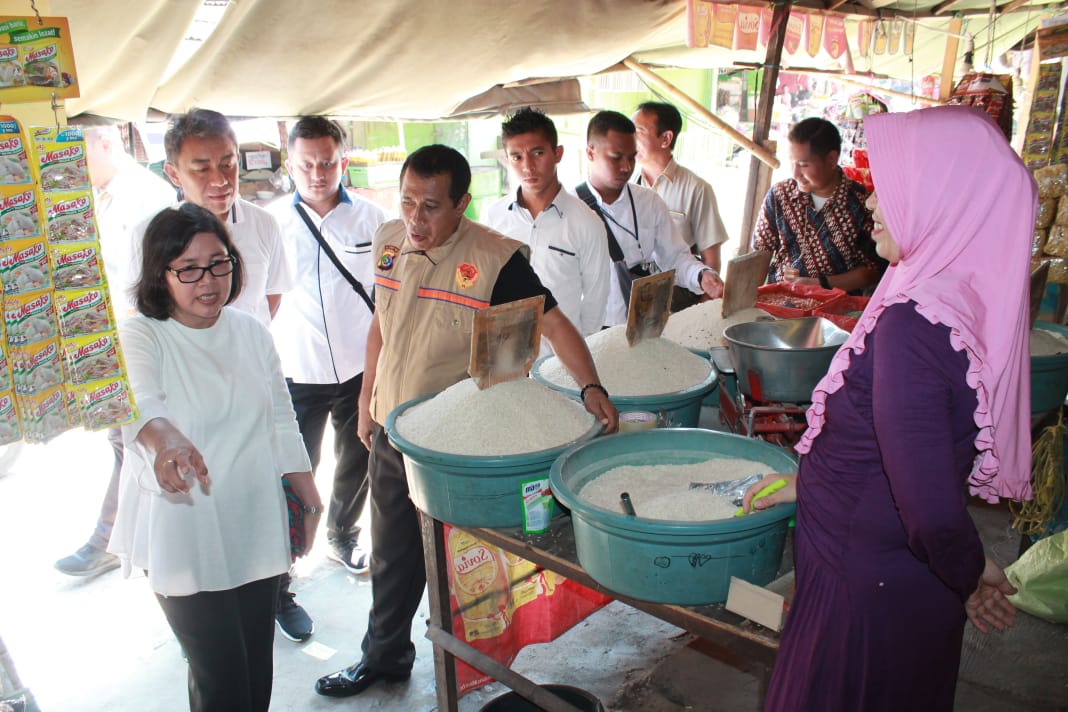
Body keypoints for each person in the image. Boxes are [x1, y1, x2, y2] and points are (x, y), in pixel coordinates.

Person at [741, 106, 1031, 711]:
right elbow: (903, 451)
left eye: (893, 185)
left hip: (864, 585)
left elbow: (927, 510)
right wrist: (810, 481)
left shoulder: (914, 324)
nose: (872, 200)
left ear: (944, 195)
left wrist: (973, 569)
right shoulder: (954, 297)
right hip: (891, 566)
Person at [314, 144, 618, 698]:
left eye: (431, 206)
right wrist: (366, 398)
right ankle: (384, 657)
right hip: (391, 428)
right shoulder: (387, 242)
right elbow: (382, 323)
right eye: (407, 202)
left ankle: (473, 668)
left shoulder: (497, 260)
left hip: (454, 446)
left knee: (461, 564)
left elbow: (555, 324)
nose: (415, 219)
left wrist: (590, 385)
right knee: (391, 554)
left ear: (462, 203)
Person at [109, 203, 321, 712]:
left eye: (219, 263)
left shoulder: (250, 331)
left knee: (255, 675)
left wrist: (310, 501)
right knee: (221, 681)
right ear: (161, 274)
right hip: (187, 530)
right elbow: (140, 404)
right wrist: (167, 443)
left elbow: (280, 421)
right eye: (188, 269)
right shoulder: (143, 335)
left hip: (255, 521)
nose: (208, 280)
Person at [268, 116, 388, 640]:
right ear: (289, 164)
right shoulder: (270, 224)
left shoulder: (374, 220)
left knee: (356, 456)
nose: (317, 173)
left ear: (344, 160)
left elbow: (388, 295)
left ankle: (342, 534)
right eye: (306, 163)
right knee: (295, 470)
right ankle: (278, 579)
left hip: (361, 366)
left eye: (327, 162)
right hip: (297, 370)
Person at [53, 119, 175, 578]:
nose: (70, 162)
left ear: (106, 142)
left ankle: (114, 541)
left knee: (135, 443)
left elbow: (148, 290)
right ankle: (121, 541)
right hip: (110, 346)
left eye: (77, 149)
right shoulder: (97, 197)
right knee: (124, 444)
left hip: (140, 345)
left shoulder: (149, 197)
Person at [576, 110, 722, 327]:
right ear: (590, 153)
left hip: (643, 326)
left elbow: (675, 258)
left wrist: (702, 276)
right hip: (589, 331)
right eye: (616, 158)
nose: (626, 167)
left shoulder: (649, 202)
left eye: (632, 157)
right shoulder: (568, 210)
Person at [484, 107, 610, 340]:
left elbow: (596, 302)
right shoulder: (494, 217)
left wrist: (577, 358)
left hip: (559, 366)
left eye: (538, 153)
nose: (528, 167)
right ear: (507, 159)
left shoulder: (587, 223)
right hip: (505, 358)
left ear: (558, 153)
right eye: (517, 157)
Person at [751, 116, 883, 293]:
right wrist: (751, 298)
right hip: (781, 303)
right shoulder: (780, 195)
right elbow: (760, 253)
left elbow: (872, 271)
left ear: (831, 159)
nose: (796, 173)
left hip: (836, 310)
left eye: (804, 165)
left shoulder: (862, 204)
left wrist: (820, 284)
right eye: (792, 163)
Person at [632, 102, 728, 274]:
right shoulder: (627, 185)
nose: (630, 138)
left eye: (638, 132)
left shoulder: (696, 189)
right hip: (633, 292)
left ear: (666, 139)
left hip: (680, 293)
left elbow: (711, 260)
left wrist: (704, 300)